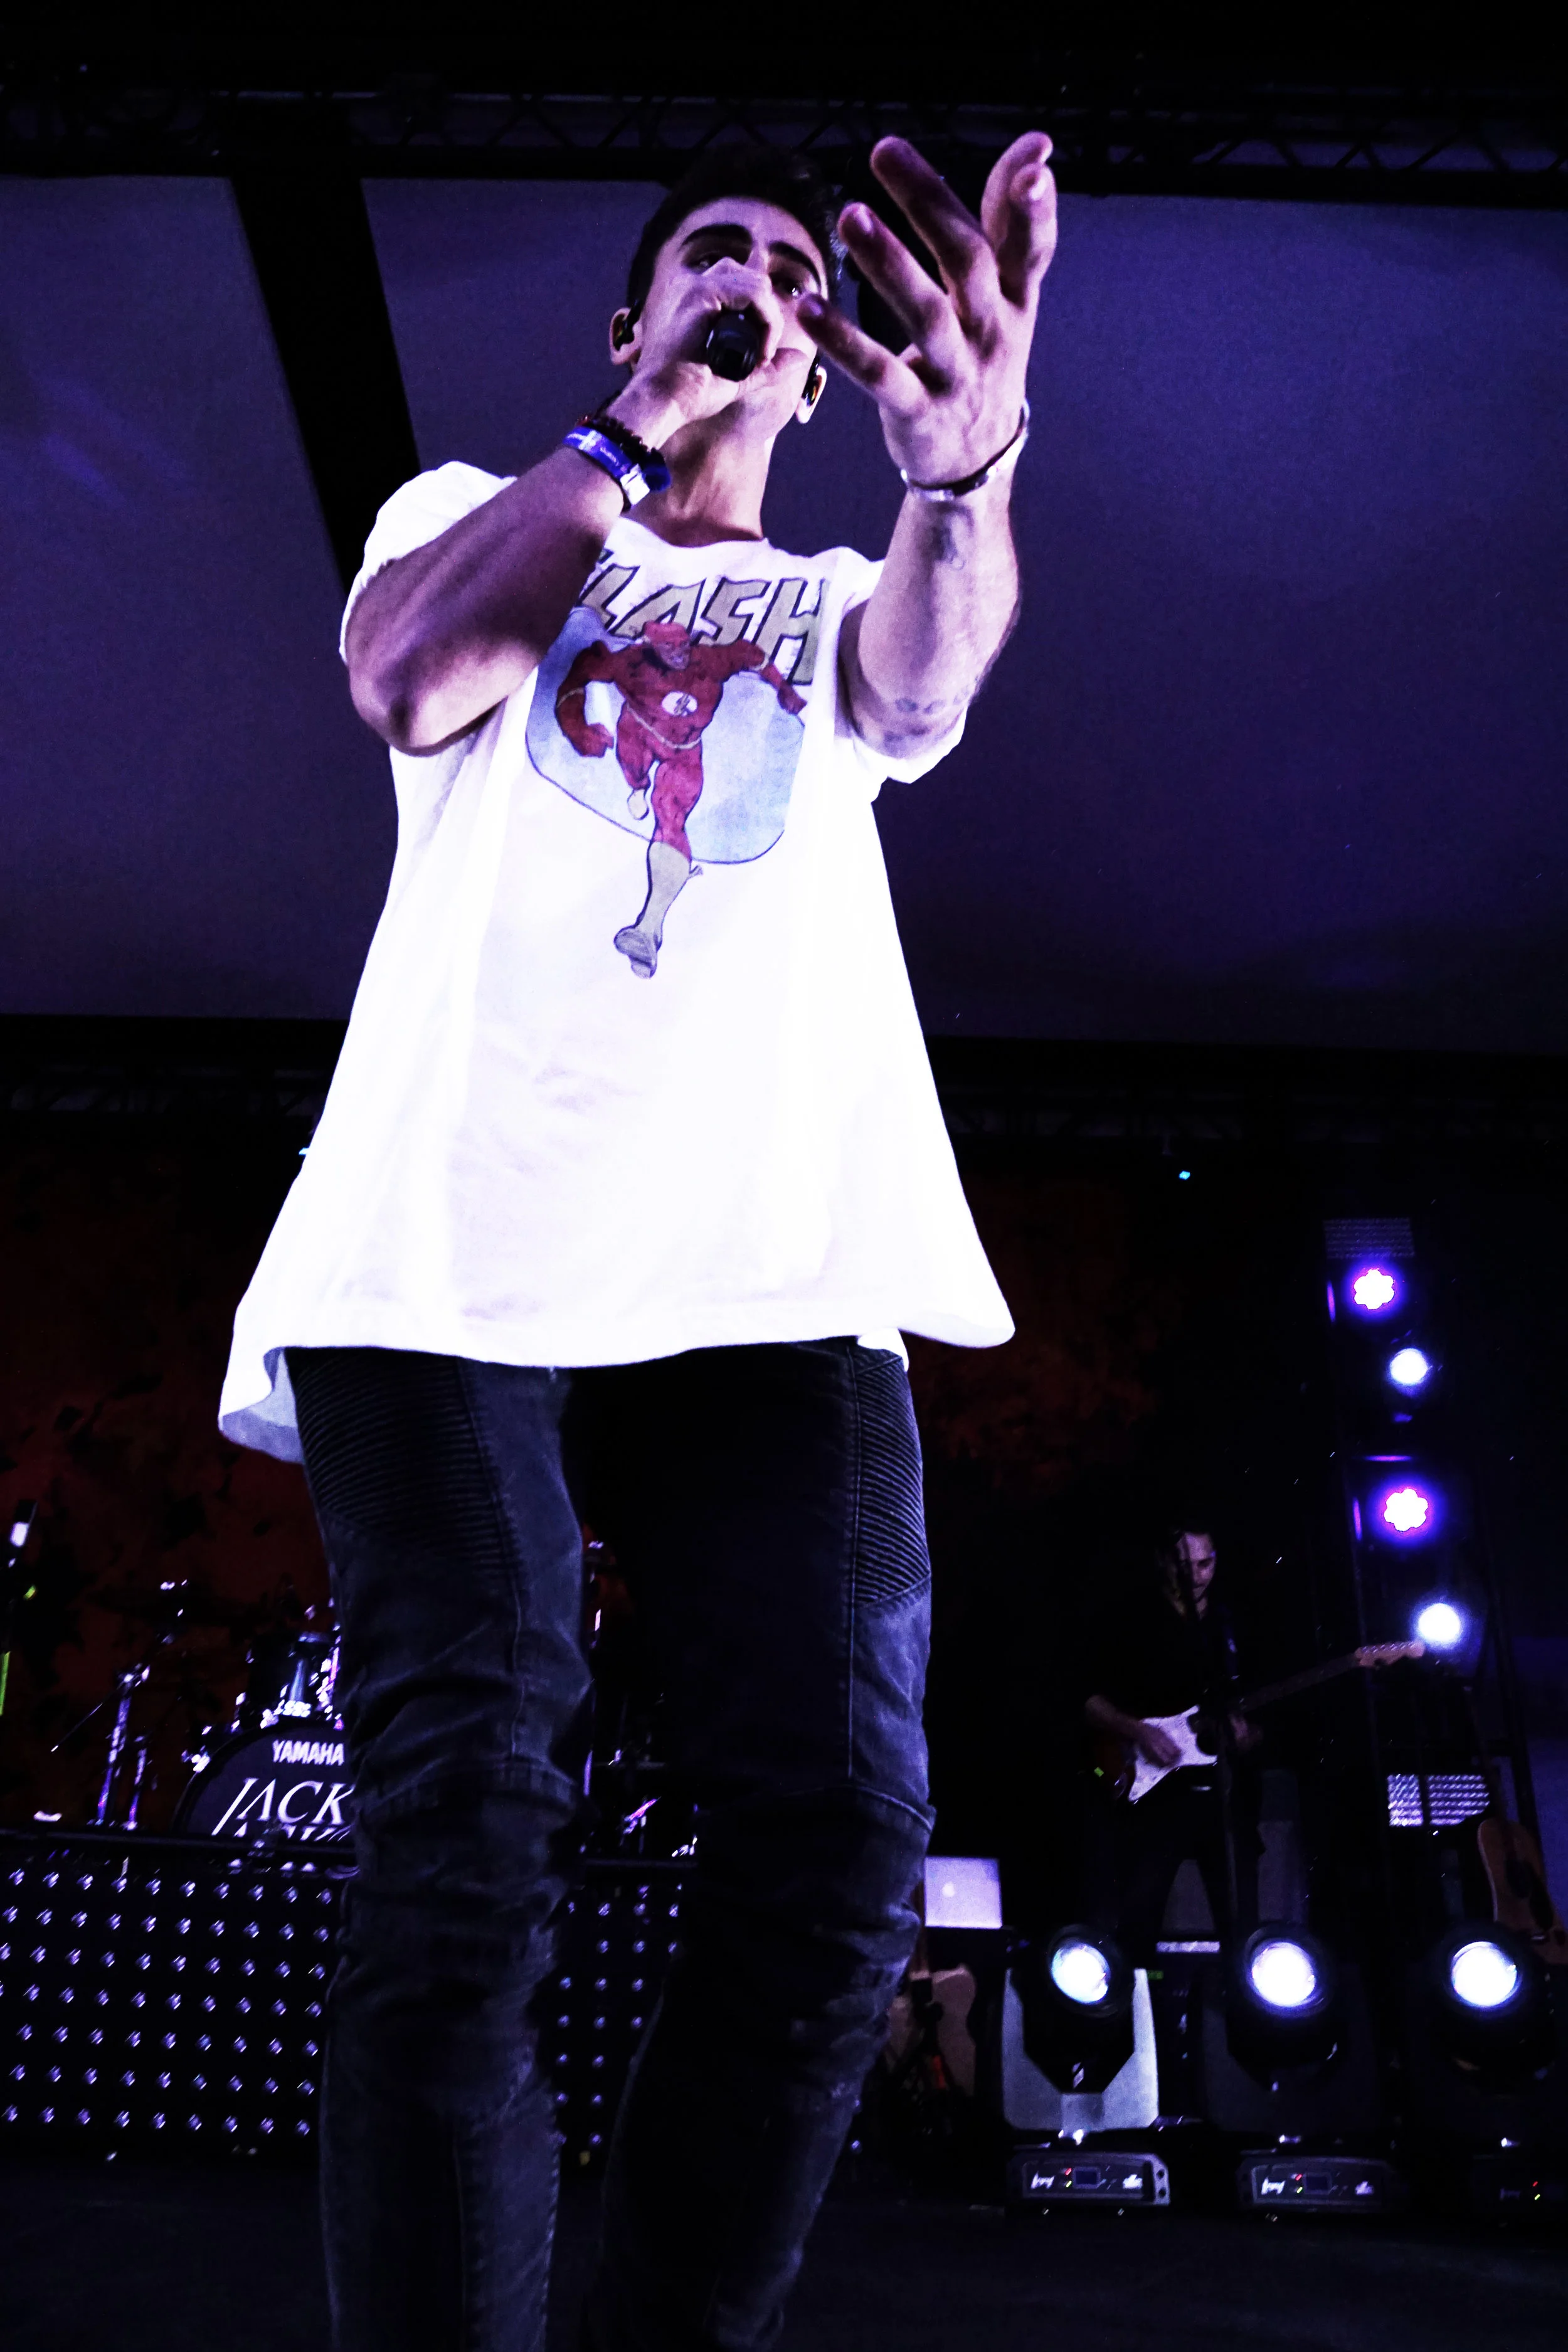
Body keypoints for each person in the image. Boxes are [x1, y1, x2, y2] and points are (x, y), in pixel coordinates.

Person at [218, 132, 1056, 2352]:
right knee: (469, 1828)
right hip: (446, 1253)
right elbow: (408, 679)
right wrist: (626, 439)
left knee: (846, 1840)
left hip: (767, 1265)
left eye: (786, 269)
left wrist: (966, 475)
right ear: (637, 321)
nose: (753, 282)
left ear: (821, 358)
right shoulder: (483, 512)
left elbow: (916, 687)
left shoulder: (836, 591)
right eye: (711, 258)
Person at [1081, 1524, 1261, 1963]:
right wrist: (1139, 1731)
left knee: (1243, 1927)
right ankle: (1138, 2001)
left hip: (1223, 1795)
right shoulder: (1133, 1620)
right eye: (1184, 1566)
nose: (1196, 1576)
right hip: (1155, 1796)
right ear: (1164, 1562)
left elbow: (1259, 1719)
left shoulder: (1228, 1623)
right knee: (1138, 1921)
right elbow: (1087, 1699)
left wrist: (1247, 1735)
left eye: (1205, 1564)